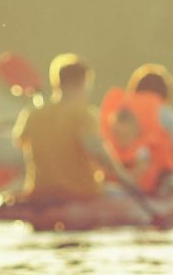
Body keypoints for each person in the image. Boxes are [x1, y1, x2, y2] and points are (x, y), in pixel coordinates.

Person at [12, 53, 138, 204]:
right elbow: (98, 153)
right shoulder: (84, 114)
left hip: (39, 192)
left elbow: (19, 143)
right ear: (84, 82)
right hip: (81, 193)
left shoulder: (32, 114)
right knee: (124, 196)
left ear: (57, 82)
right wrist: (126, 178)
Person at [99, 64, 173, 196]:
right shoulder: (165, 111)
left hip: (118, 177)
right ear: (164, 91)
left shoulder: (118, 111)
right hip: (158, 182)